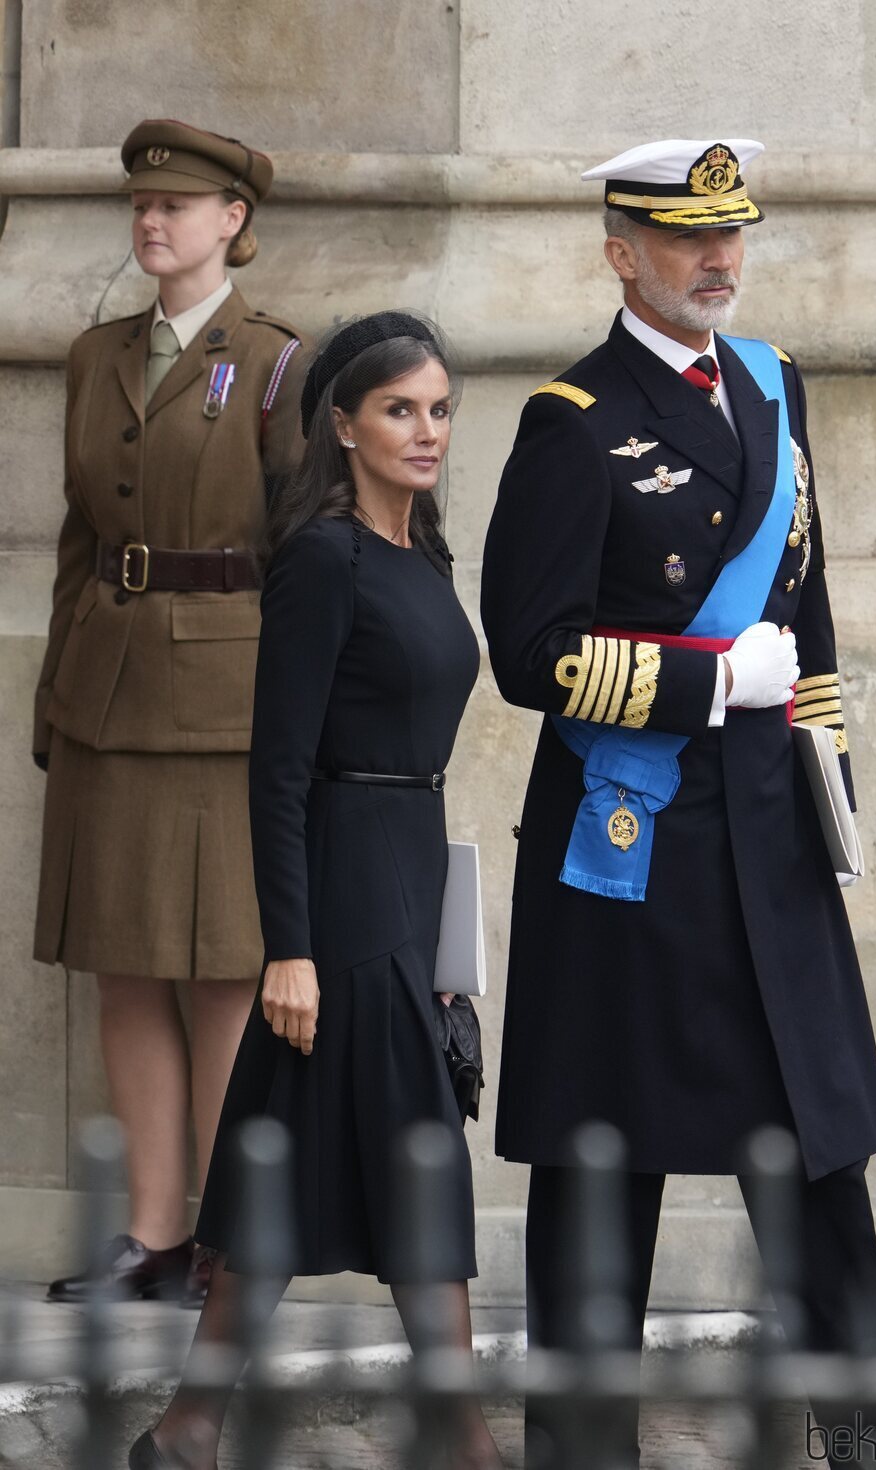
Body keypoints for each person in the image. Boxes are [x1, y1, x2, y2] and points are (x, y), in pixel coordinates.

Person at [481, 138, 876, 1466]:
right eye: (684, 239)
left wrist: (831, 802)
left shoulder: (774, 391)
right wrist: (707, 680)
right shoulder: (570, 420)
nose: (717, 260)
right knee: (608, 1166)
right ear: (623, 251)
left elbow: (813, 622)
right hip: (635, 849)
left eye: (731, 235)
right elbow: (530, 652)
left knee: (819, 1154)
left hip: (768, 843)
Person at [129, 312, 503, 1470]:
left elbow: (419, 762)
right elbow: (278, 767)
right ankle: (463, 1442)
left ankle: (188, 1430)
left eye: (439, 408)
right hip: (337, 901)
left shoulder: (422, 551)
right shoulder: (323, 558)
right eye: (399, 409)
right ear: (341, 424)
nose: (426, 430)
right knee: (417, 1158)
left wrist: (445, 951)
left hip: (403, 874)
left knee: (291, 1157)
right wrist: (284, 948)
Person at [34, 119, 306, 1306]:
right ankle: (147, 1236)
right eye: (143, 208)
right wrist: (56, 692)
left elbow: (309, 555)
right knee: (124, 968)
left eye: (179, 208)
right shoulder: (97, 356)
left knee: (221, 975)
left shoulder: (282, 362)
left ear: (231, 223)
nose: (154, 224)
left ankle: (222, 1239)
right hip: (108, 690)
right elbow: (80, 540)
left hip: (226, 702)